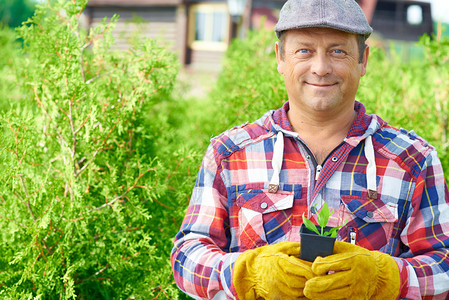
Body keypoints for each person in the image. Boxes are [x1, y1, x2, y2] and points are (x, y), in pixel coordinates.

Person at [171, 0, 449, 299]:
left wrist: (384, 277)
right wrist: (246, 272)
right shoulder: (229, 153)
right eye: (304, 50)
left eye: (338, 51)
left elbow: (442, 263)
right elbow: (188, 255)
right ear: (280, 57)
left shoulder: (412, 160)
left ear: (363, 60)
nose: (320, 68)